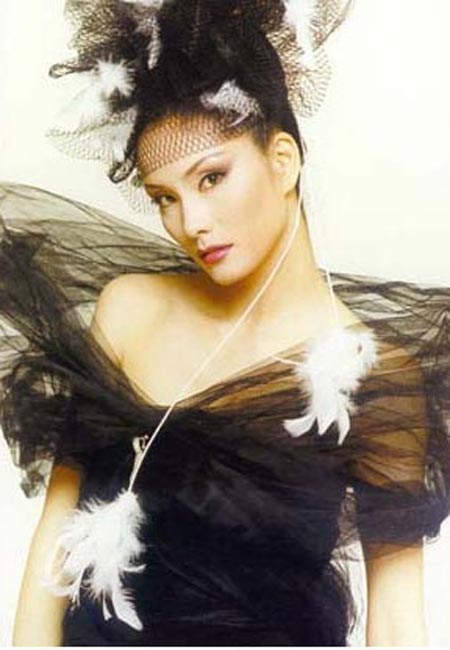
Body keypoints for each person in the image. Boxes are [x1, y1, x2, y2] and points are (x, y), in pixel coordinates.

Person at [1, 0, 450, 646]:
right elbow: (54, 546)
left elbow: (399, 624)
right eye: (165, 198)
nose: (191, 223)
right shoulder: (129, 311)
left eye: (211, 178)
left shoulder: (377, 381)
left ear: (283, 160)